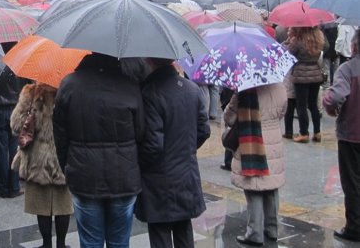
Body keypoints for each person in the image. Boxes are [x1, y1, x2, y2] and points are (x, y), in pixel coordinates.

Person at [53, 53, 144, 248]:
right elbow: (141, 132)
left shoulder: (69, 84)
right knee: (119, 242)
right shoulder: (130, 85)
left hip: (83, 175)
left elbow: (60, 134)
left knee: (90, 242)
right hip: (123, 178)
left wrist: (68, 166)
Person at [136, 58, 210, 248]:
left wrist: (138, 163)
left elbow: (153, 145)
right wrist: (185, 149)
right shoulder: (192, 89)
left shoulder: (150, 92)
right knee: (184, 229)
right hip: (186, 173)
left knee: (160, 232)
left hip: (159, 178)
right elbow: (204, 130)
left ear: (150, 61)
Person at [224, 82, 287, 246]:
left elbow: (230, 118)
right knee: (271, 186)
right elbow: (282, 112)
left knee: (254, 187)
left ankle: (255, 232)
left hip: (251, 139)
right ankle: (272, 228)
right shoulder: (280, 87)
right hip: (273, 139)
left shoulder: (245, 88)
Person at [11, 83, 72, 248]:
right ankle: (61, 244)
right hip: (63, 156)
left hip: (37, 160)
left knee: (41, 204)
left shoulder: (31, 93)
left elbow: (16, 125)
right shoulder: (69, 91)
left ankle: (46, 244)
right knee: (63, 204)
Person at [323, 29, 360, 242]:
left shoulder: (347, 69)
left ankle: (355, 226)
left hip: (351, 134)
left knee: (352, 182)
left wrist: (328, 105)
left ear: (354, 46)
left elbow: (336, 97)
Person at [0, 59, 26, 198]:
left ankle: (3, 186)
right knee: (14, 148)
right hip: (15, 109)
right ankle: (14, 186)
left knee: (2, 150)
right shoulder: (21, 65)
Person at [285, 27, 326, 143]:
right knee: (313, 105)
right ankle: (317, 132)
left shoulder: (298, 40)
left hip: (301, 75)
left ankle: (304, 133)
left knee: (301, 105)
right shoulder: (318, 38)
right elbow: (325, 48)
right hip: (316, 74)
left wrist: (290, 40)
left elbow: (289, 54)